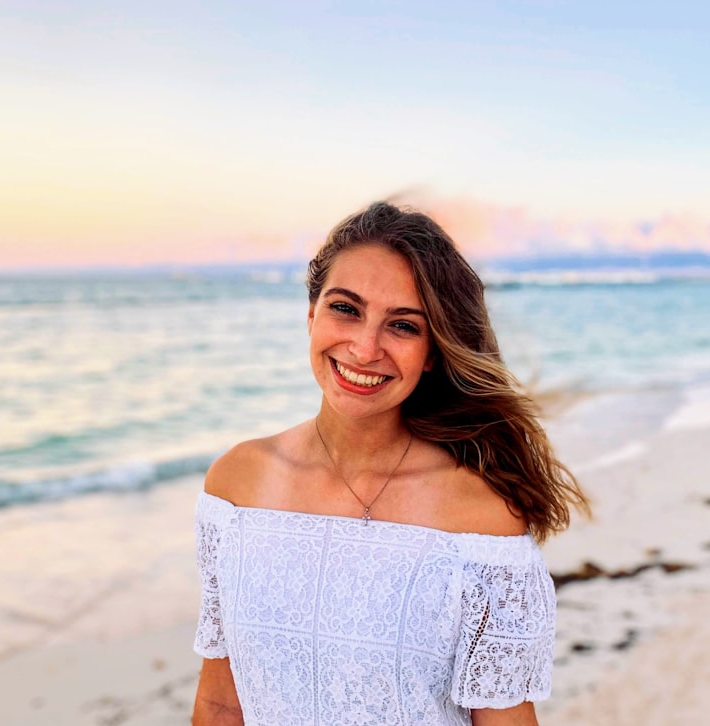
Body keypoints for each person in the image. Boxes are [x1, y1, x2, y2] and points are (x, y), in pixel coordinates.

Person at [191, 202, 588, 725]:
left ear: (432, 351)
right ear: (311, 316)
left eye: (402, 325)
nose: (364, 347)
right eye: (346, 309)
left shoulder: (479, 515)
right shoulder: (236, 487)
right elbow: (221, 703)